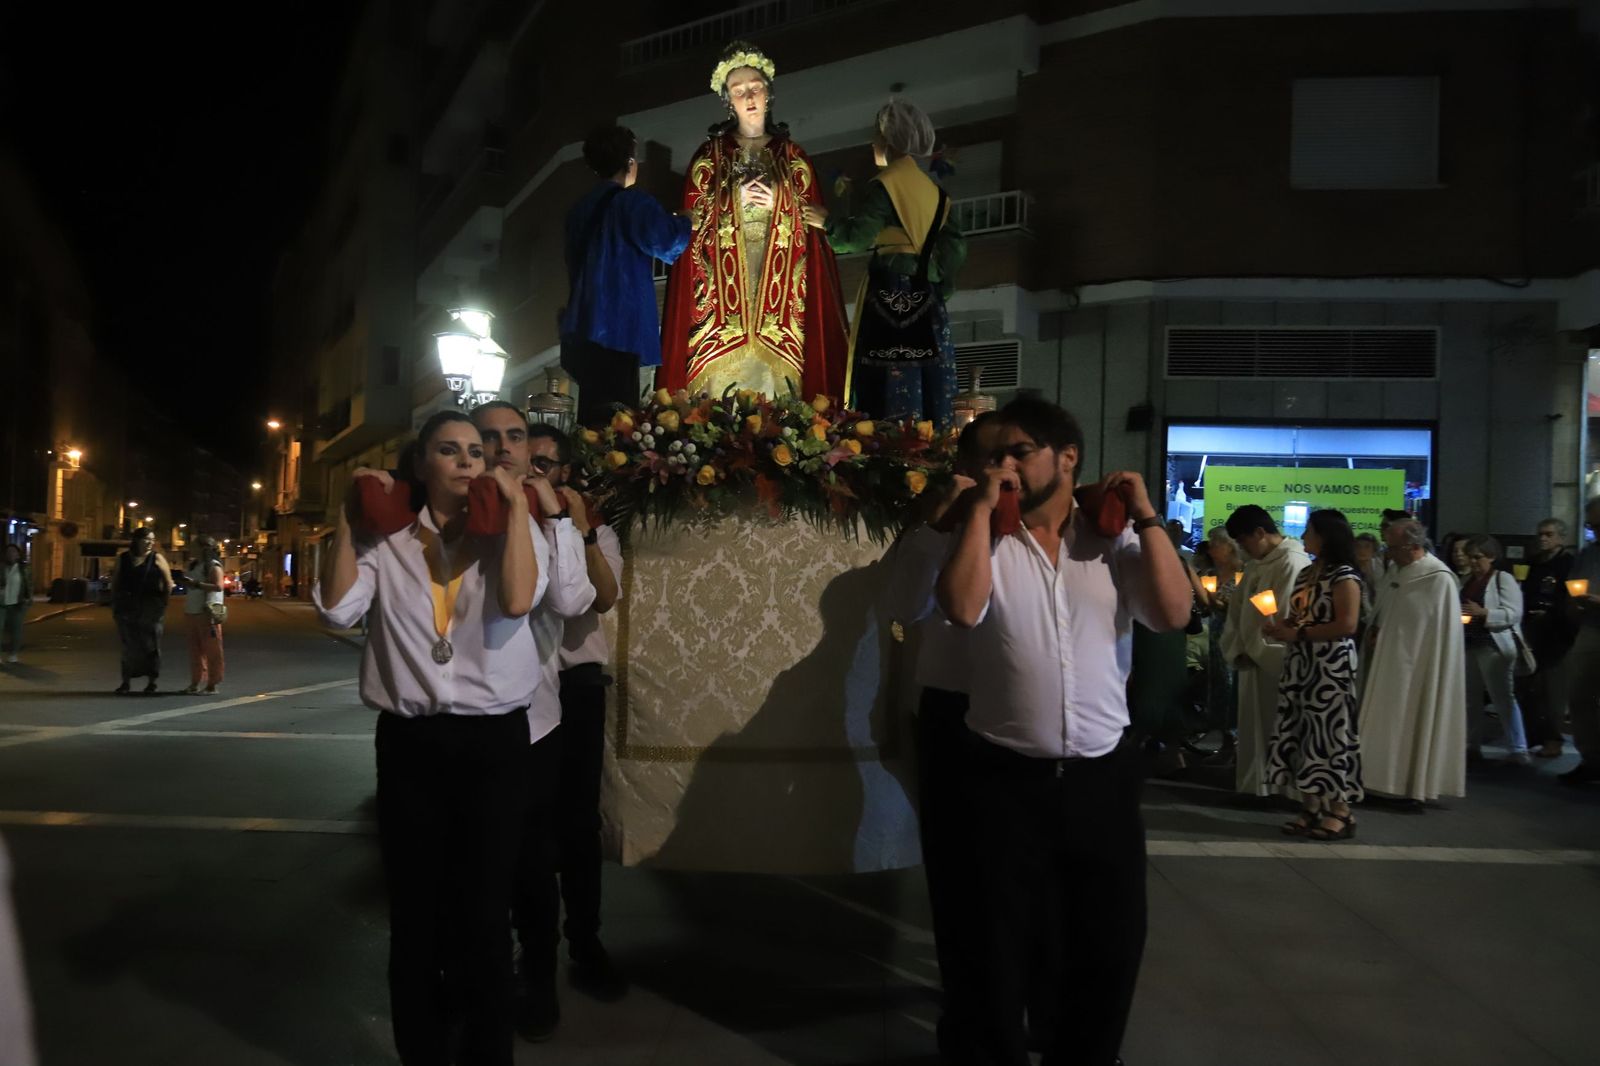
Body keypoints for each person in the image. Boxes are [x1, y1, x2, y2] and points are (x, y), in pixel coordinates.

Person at [936, 397, 1191, 1066]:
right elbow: (961, 609)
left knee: (1106, 945)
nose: (1006, 464)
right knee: (994, 947)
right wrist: (982, 511)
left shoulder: (1116, 542)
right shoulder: (988, 538)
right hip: (1001, 779)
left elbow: (1172, 613)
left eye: (1019, 451)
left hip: (1100, 781)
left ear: (1068, 457)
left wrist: (1146, 513)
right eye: (995, 455)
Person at [315, 410, 549, 1066]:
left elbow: (517, 601)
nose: (469, 460)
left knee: (483, 915)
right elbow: (336, 610)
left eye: (475, 450)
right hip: (413, 744)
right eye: (449, 450)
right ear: (422, 465)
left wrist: (513, 513)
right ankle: (421, 1051)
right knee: (416, 916)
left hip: (494, 746)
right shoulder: (387, 540)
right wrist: (347, 518)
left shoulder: (508, 529)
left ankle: (486, 1055)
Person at [468, 402, 605, 1043]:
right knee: (469, 864)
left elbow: (573, 600)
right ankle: (474, 976)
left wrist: (555, 518)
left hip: (532, 717)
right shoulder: (451, 509)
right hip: (458, 718)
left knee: (529, 863)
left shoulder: (547, 518)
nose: (502, 449)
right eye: (488, 438)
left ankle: (538, 977)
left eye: (514, 438)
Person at [883, 412, 999, 1062]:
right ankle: (967, 1003)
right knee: (959, 873)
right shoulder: (941, 523)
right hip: (954, 711)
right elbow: (902, 607)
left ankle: (1030, 992)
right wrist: (938, 524)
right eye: (987, 457)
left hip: (1034, 716)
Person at [657, 40, 849, 401]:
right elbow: (690, 222)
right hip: (723, 303)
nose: (748, 97)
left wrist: (780, 199)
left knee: (780, 400)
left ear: (768, 93)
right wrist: (731, 198)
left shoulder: (793, 156)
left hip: (778, 300)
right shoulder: (710, 156)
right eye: (738, 90)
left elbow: (814, 223)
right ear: (728, 99)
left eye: (755, 88)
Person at [802, 97, 967, 425]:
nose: (873, 142)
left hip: (891, 290)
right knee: (926, 381)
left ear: (887, 139)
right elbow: (956, 249)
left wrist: (828, 222)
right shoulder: (937, 193)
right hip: (928, 295)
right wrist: (939, 286)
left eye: (876, 134)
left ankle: (888, 449)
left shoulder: (886, 185)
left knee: (890, 381)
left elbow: (858, 236)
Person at [559, 125, 693, 424]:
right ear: (629, 162)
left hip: (582, 328)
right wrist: (686, 222)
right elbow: (665, 242)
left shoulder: (579, 210)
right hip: (619, 326)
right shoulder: (631, 202)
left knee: (592, 415)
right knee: (618, 419)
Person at [1262, 510, 1364, 840]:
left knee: (1330, 734)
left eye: (1309, 531)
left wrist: (1299, 634)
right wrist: (1283, 626)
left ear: (1325, 536)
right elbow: (1300, 615)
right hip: (1302, 663)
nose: (1304, 537)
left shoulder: (1344, 576)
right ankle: (1311, 805)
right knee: (1301, 732)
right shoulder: (1308, 573)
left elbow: (1347, 624)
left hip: (1330, 665)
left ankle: (1341, 810)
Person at [1359, 520, 1467, 805]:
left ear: (1413, 546)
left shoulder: (1438, 579)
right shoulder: (1397, 570)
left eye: (1392, 547)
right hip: (1384, 661)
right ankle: (1373, 779)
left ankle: (1407, 785)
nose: (1387, 553)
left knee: (1411, 722)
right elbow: (1385, 610)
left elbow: (1434, 633)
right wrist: (1375, 630)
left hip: (1417, 670)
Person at [1221, 505, 1310, 797]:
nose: (1242, 550)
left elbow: (1283, 615)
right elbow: (1239, 609)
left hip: (1273, 659)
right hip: (1253, 656)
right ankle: (1256, 785)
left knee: (1276, 725)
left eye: (1244, 541)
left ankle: (1278, 789)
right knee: (1254, 727)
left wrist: (1257, 648)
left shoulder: (1291, 563)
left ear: (1260, 533)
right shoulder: (1259, 563)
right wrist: (1240, 646)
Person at [1459, 535, 1531, 765]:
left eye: (1477, 557)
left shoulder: (1503, 579)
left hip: (1493, 646)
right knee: (1471, 698)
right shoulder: (1467, 581)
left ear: (1491, 556)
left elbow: (1514, 613)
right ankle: (1472, 745)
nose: (1472, 561)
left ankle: (1518, 748)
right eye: (1470, 557)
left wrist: (1484, 613)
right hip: (1470, 644)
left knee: (1502, 697)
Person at [1517, 518, 1575, 758]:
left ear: (1561, 537)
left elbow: (1573, 598)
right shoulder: (1534, 563)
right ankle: (1536, 736)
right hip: (1532, 630)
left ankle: (1554, 739)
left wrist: (1552, 612)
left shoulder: (1569, 564)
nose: (1543, 538)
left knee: (1552, 691)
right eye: (1540, 534)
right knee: (1529, 686)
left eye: (1549, 534)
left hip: (1556, 634)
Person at [1194, 526, 1243, 763]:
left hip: (1233, 636)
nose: (1212, 549)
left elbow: (1241, 608)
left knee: (1230, 684)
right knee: (1218, 686)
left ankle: (1233, 744)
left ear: (1230, 547)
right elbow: (1205, 606)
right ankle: (1224, 742)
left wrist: (1219, 604)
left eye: (1216, 544)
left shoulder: (1242, 574)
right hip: (1214, 635)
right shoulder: (1210, 573)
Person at [1560, 498, 1600, 786]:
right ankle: (1591, 759)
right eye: (1592, 525)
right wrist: (1575, 604)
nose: (1596, 531)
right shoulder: (1588, 553)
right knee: (1579, 695)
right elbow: (1574, 585)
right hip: (1590, 629)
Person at [109, 530, 171, 693]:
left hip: (151, 608)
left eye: (152, 540)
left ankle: (152, 682)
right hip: (127, 607)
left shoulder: (157, 558)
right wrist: (115, 603)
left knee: (151, 644)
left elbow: (168, 582)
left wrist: (163, 603)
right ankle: (126, 682)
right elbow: (115, 582)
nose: (150, 543)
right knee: (129, 645)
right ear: (136, 540)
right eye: (146, 540)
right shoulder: (123, 559)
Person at [182, 537, 225, 695]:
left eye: (194, 546)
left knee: (212, 650)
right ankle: (195, 682)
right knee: (195, 651)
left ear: (204, 548)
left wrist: (197, 584)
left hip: (207, 612)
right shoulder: (193, 565)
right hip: (191, 611)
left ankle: (212, 684)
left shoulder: (213, 566)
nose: (191, 548)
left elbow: (218, 586)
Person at [1, 544, 32, 664]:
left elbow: (29, 584)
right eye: (8, 552)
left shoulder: (24, 568)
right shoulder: (2, 567)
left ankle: (13, 653)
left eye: (13, 552)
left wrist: (28, 598)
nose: (11, 554)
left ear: (18, 554)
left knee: (16, 631)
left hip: (18, 603)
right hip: (2, 603)